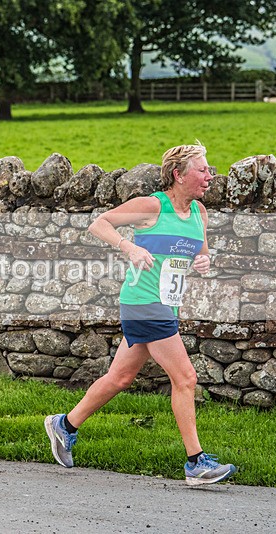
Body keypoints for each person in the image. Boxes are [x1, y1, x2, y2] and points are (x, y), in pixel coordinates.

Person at [45, 143, 238, 485]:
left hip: (166, 303)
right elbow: (100, 224)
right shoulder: (152, 206)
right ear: (179, 175)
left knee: (120, 378)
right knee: (186, 378)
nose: (210, 176)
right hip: (143, 302)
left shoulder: (199, 213)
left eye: (209, 170)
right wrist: (129, 246)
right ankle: (196, 463)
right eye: (202, 170)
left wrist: (204, 263)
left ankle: (65, 425)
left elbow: (200, 257)